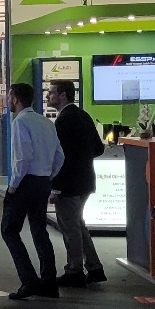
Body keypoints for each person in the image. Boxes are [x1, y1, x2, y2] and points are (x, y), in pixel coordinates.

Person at [1, 83, 64, 301]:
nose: (9, 101)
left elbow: (23, 158)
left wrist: (13, 186)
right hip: (43, 182)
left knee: (9, 230)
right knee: (39, 230)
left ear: (15, 99)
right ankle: (49, 282)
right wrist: (48, 175)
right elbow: (60, 156)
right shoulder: (46, 122)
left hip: (25, 183)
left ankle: (29, 281)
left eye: (9, 97)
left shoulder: (20, 122)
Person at [49, 79, 107, 287]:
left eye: (52, 92)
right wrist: (83, 160)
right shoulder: (83, 116)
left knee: (70, 228)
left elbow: (61, 158)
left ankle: (74, 270)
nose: (48, 96)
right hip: (86, 181)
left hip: (69, 185)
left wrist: (56, 187)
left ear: (63, 95)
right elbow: (99, 148)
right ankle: (94, 267)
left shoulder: (63, 121)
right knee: (78, 225)